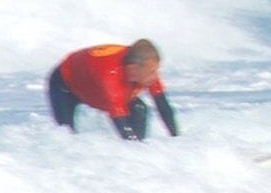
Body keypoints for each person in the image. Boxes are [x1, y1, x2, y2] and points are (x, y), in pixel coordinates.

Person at [46, 40, 178, 141]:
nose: (155, 76)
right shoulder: (110, 76)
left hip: (92, 82)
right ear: (133, 69)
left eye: (156, 70)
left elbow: (163, 106)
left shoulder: (144, 68)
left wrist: (175, 139)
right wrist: (134, 148)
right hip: (64, 84)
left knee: (139, 108)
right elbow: (119, 119)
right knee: (66, 135)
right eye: (152, 72)